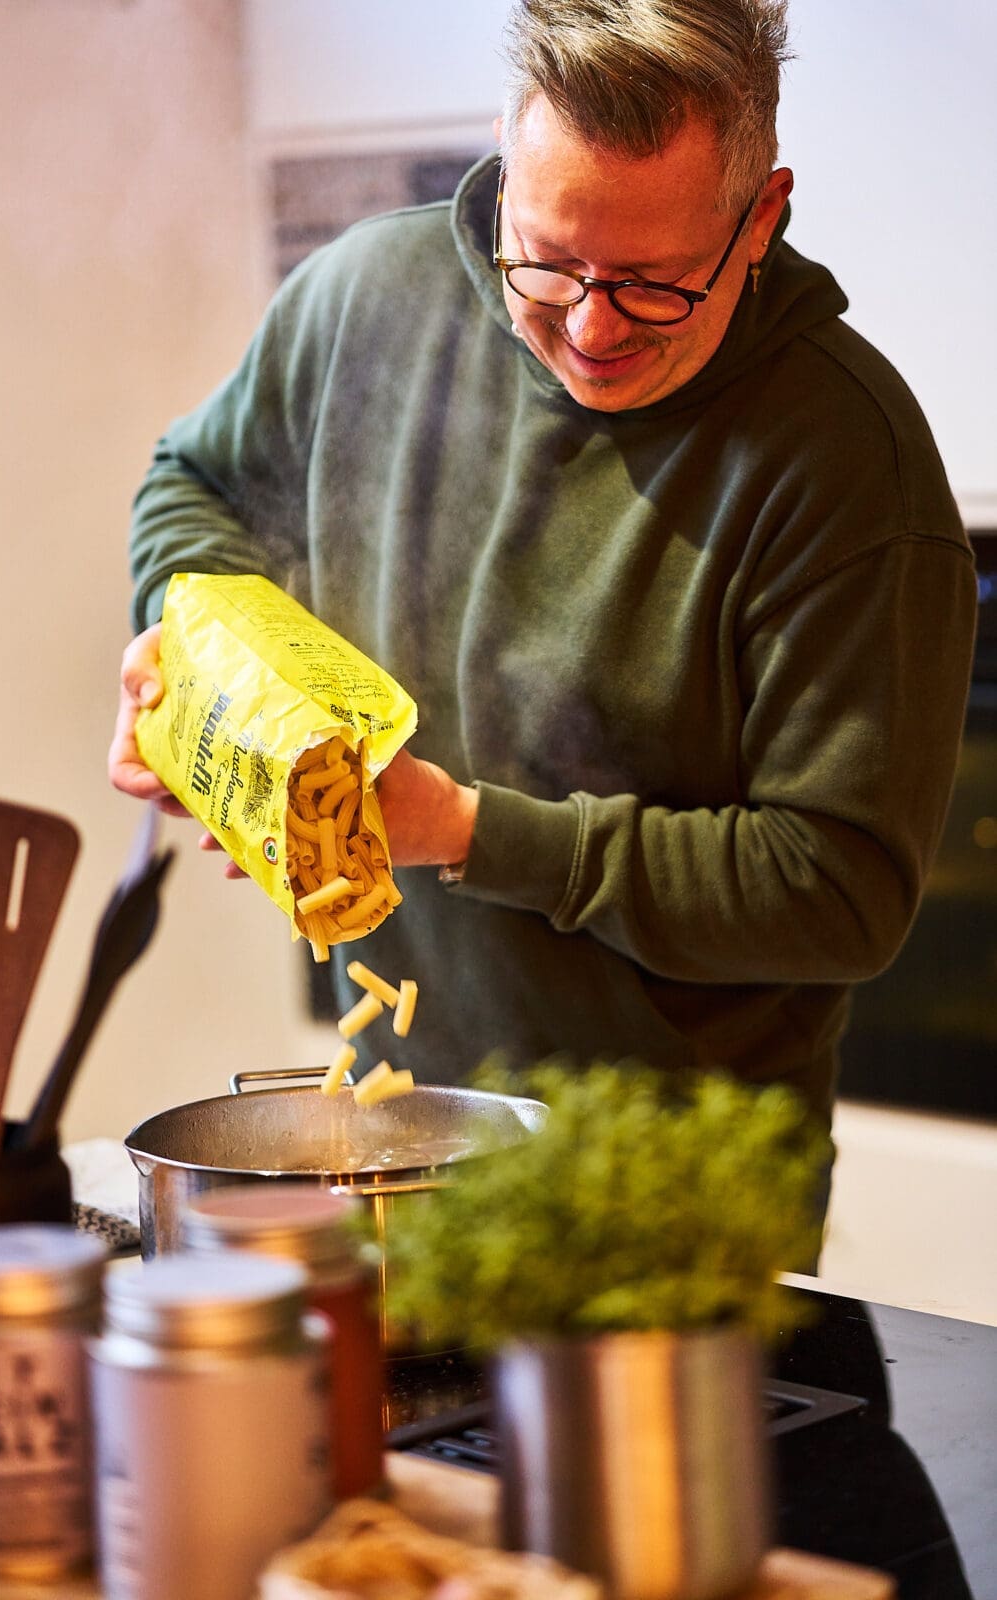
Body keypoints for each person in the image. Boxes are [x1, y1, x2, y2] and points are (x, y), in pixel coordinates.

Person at [109, 0, 976, 1130]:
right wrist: (201, 665)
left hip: (669, 1169)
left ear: (761, 216)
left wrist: (466, 830)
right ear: (504, 158)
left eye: (653, 282)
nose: (590, 329)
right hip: (395, 1110)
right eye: (549, 262)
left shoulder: (849, 468)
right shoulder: (365, 294)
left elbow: (835, 893)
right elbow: (197, 484)